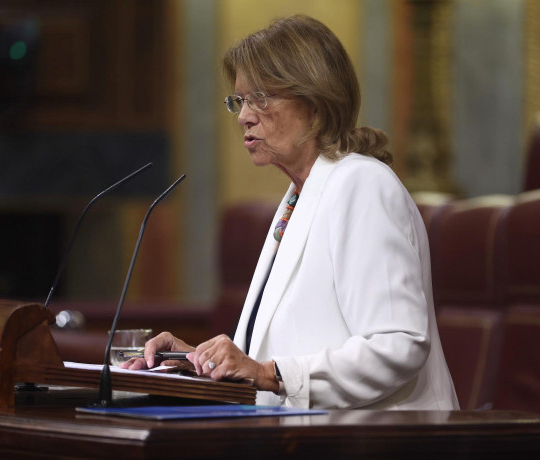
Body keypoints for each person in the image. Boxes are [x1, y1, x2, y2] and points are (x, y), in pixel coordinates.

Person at [122, 15, 459, 410]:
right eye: (239, 101)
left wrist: (269, 374)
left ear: (315, 103)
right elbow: (284, 352)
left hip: (382, 440)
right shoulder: (299, 196)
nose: (244, 116)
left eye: (260, 98)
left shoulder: (363, 185)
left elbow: (398, 343)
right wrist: (193, 360)